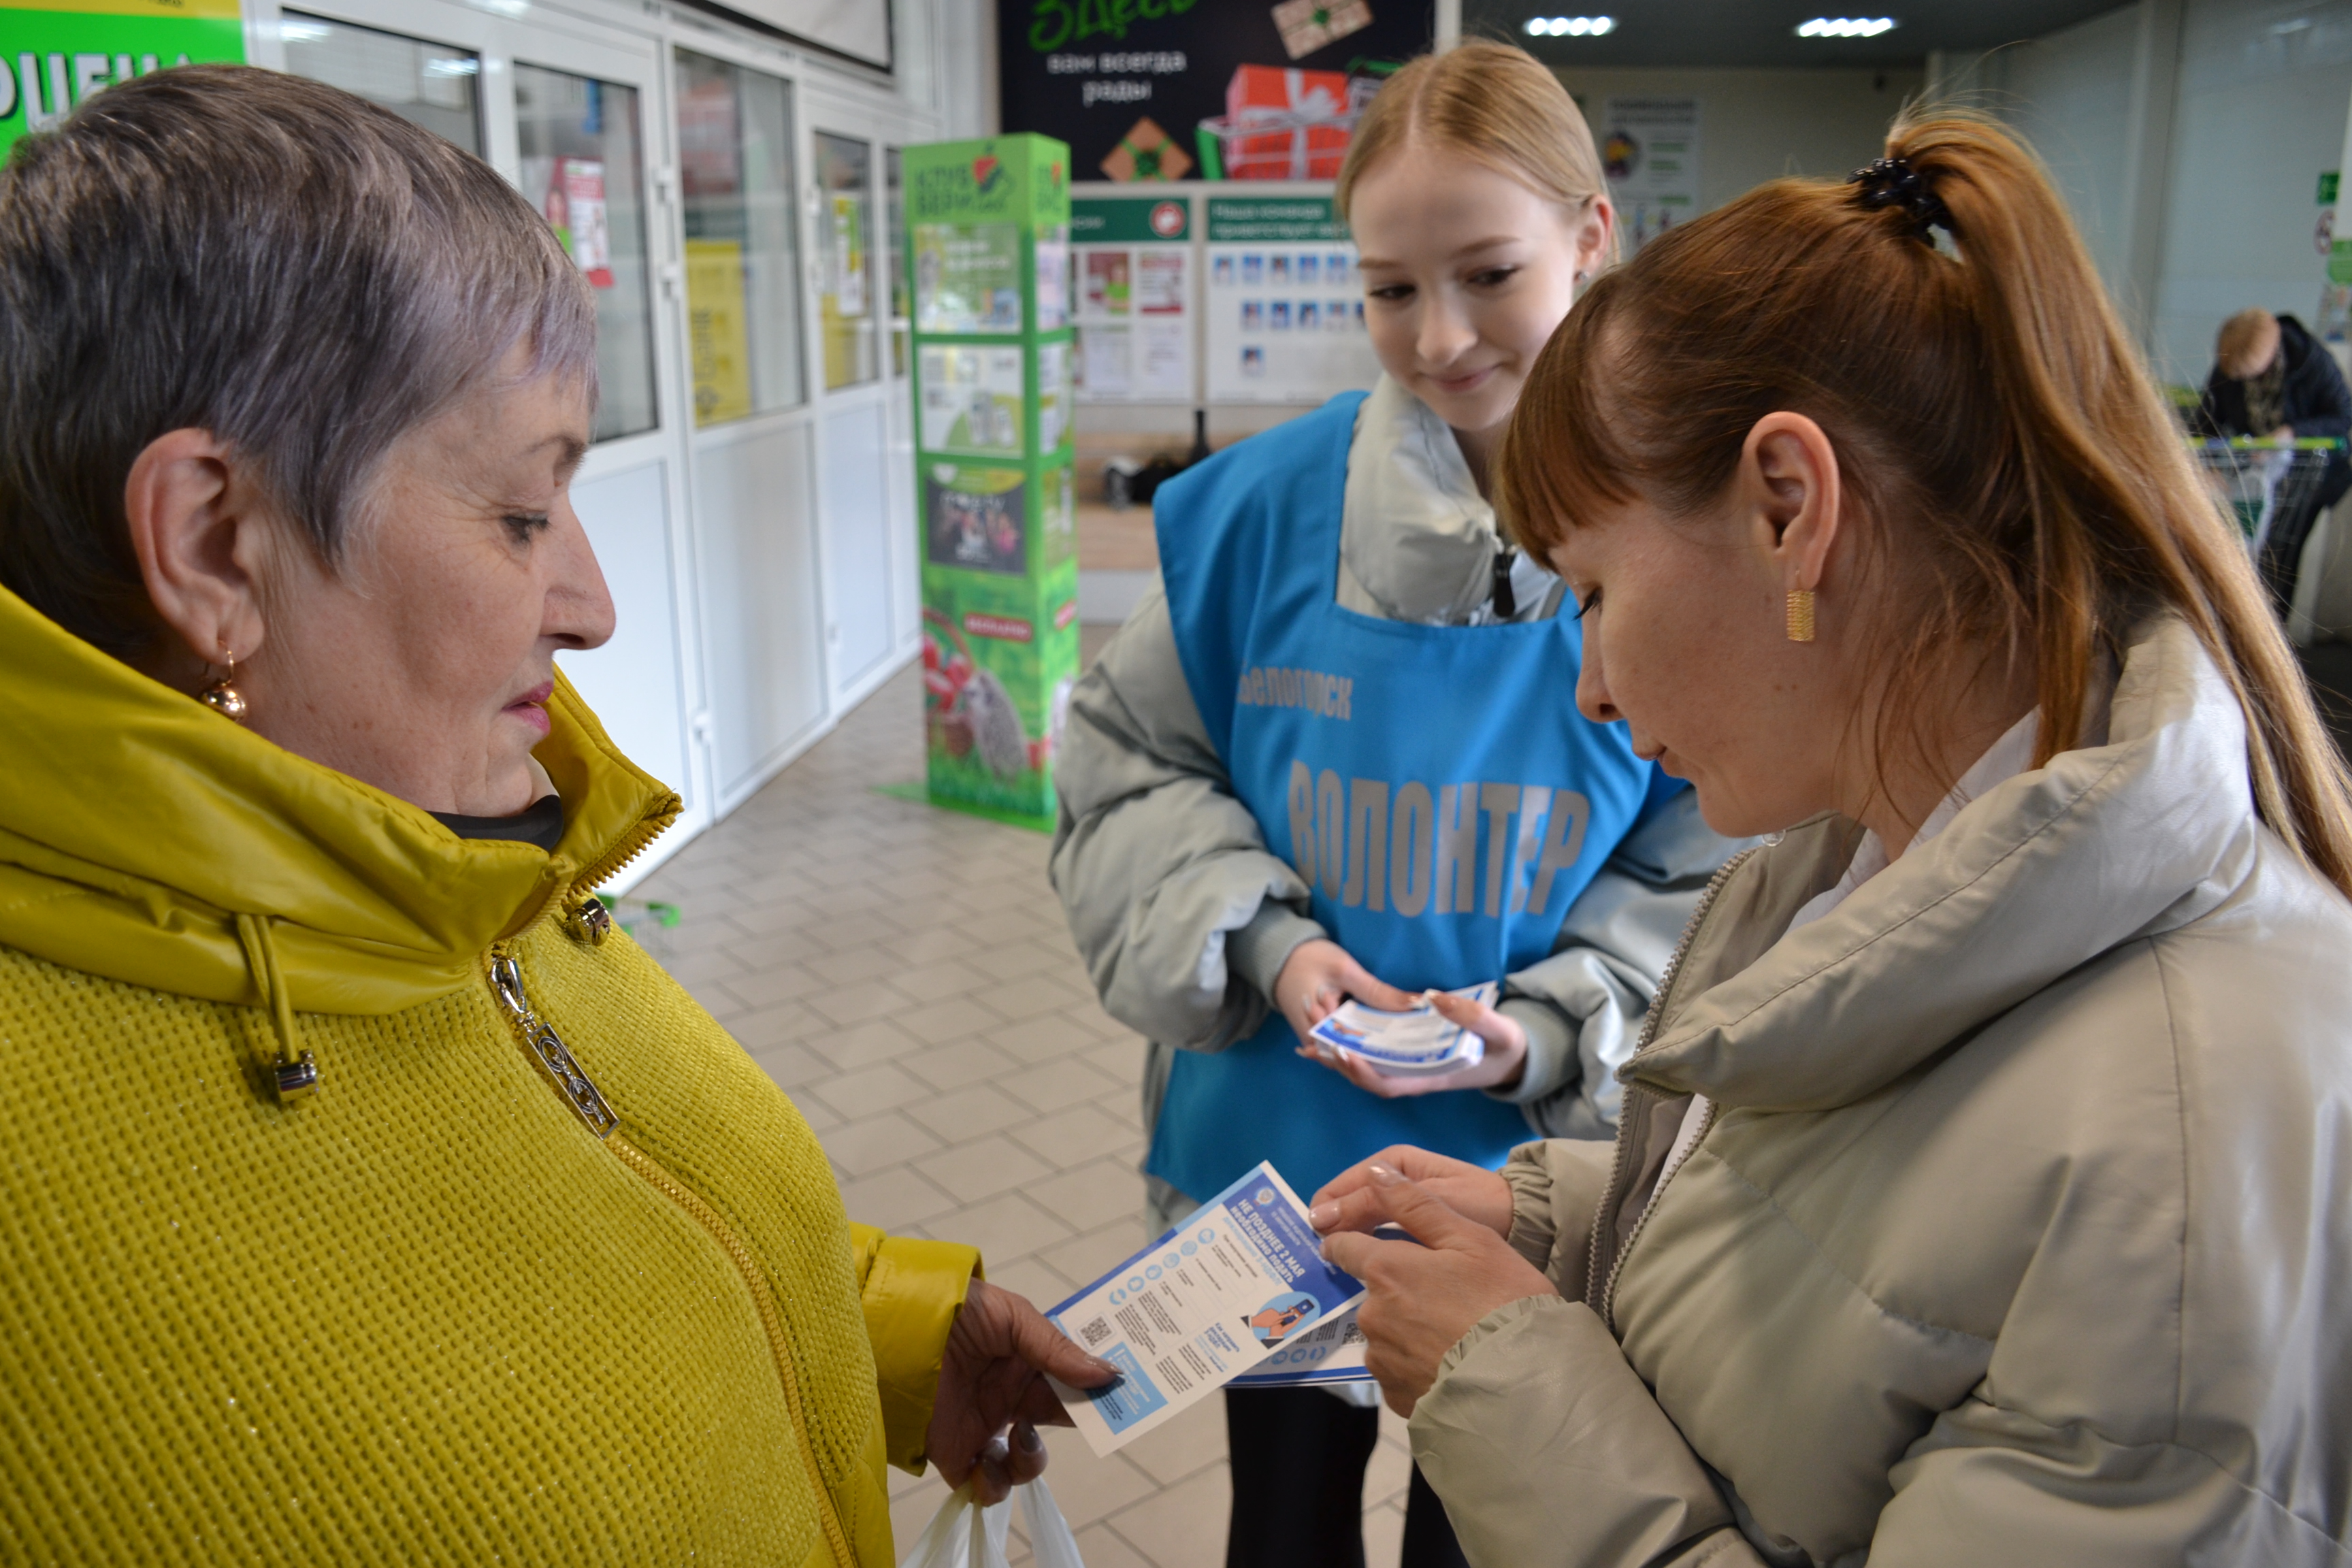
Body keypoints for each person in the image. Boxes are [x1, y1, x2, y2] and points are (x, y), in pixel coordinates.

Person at [0, 67, 1112, 1565]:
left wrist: (882, 1335)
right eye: (524, 515)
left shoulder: (457, 849)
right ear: (215, 542)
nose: (591, 609)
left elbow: (582, 1228)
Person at [1308, 114, 2352, 1565]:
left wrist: (1509, 1390)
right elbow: (1864, 1247)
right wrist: (1547, 1210)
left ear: (1790, 510)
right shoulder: (1869, 867)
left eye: (1598, 593)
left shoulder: (2187, 1150)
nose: (1590, 687)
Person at [1050, 42, 1739, 1568]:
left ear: (1592, 237)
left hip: (1532, 1173)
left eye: (1490, 272)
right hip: (1270, 1160)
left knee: (1481, 1522)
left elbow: (1718, 857)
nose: (1439, 338)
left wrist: (1553, 1024)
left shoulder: (1693, 532)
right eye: (1387, 290)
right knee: (1283, 1524)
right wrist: (1271, 947)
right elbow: (1124, 766)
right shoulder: (1248, 523)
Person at [2193, 306, 2352, 615]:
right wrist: (2208, 464)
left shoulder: (2311, 361)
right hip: (2254, 476)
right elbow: (2207, 417)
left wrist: (2292, 433)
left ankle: (2273, 630)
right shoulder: (2231, 364)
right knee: (2239, 550)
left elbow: (2342, 416)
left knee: (2281, 558)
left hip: (2307, 477)